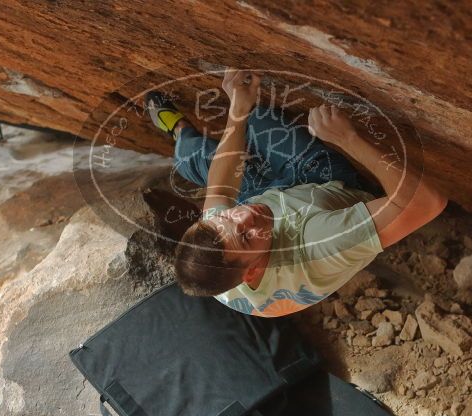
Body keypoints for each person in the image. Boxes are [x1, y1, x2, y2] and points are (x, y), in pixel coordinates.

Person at [145, 68, 447, 317]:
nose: (246, 214)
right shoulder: (319, 244)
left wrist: (237, 108)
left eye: (227, 217)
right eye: (245, 235)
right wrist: (349, 139)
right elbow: (427, 202)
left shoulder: (221, 247)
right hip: (323, 194)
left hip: (276, 202)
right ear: (251, 273)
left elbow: (221, 189)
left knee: (192, 158)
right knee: (261, 121)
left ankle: (179, 129)